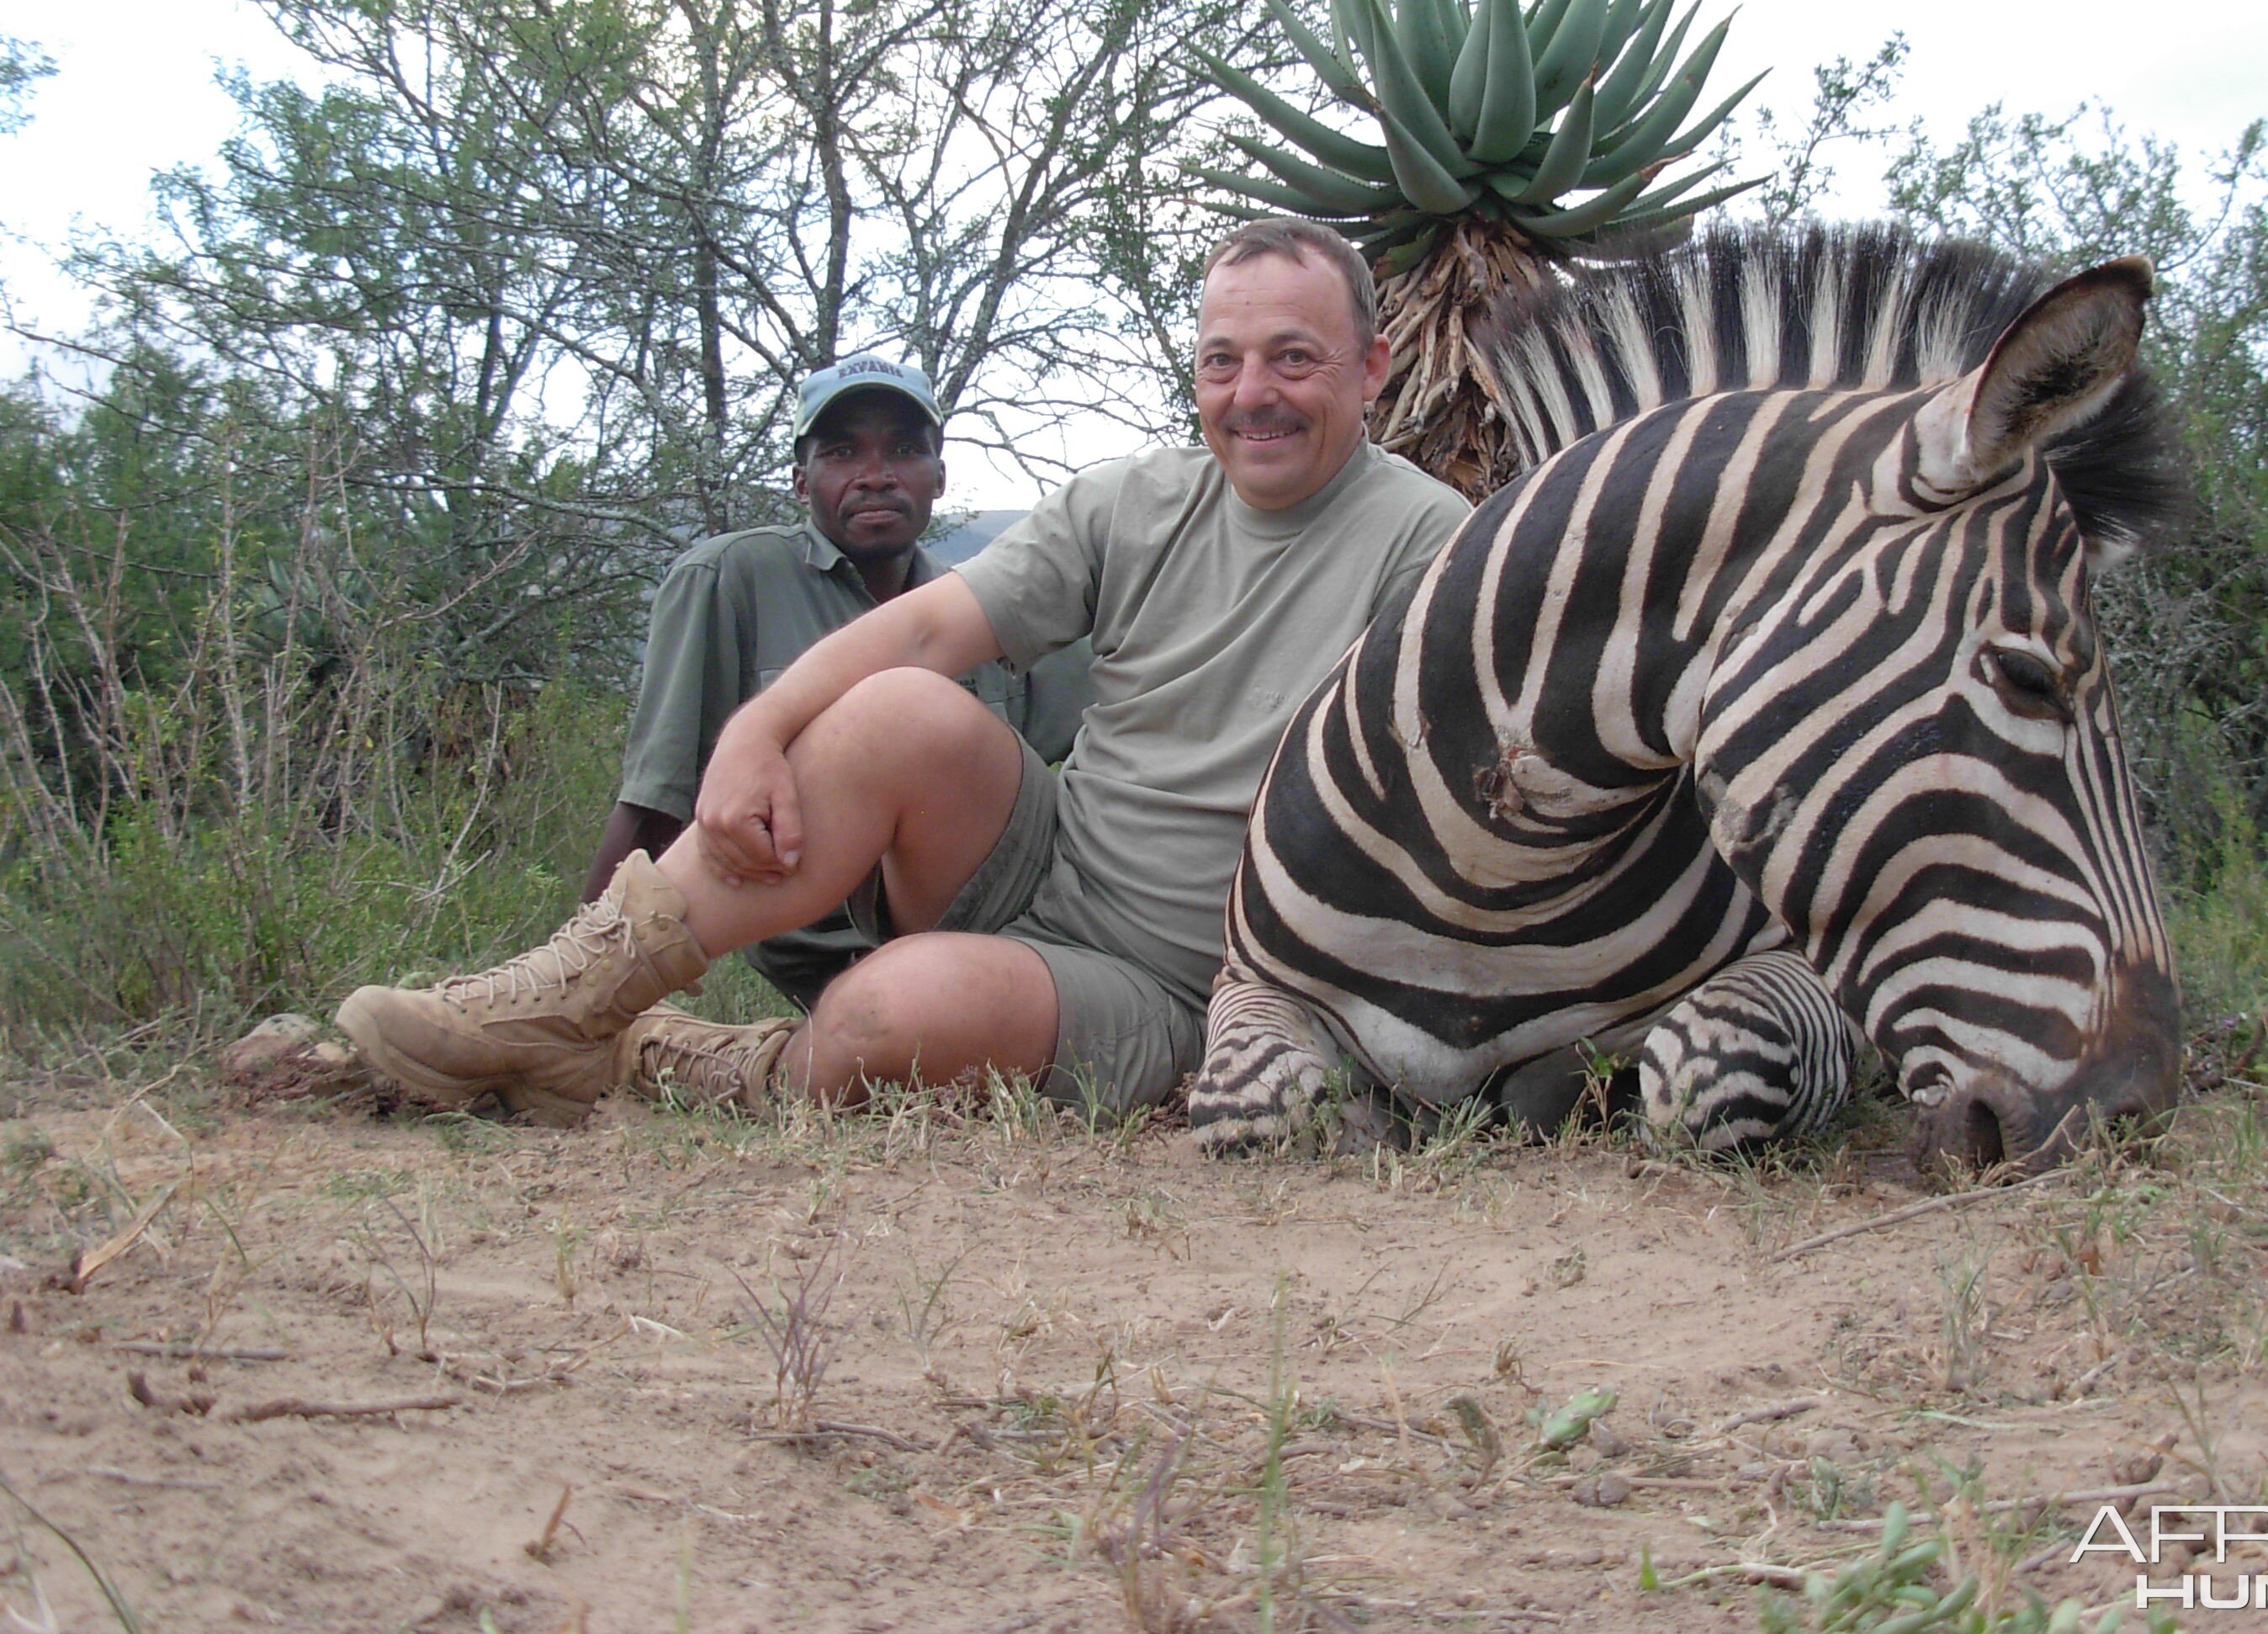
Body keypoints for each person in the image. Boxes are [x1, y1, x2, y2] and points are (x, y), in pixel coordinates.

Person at [327, 219, 1470, 1123]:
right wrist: (756, 730)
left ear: (1370, 367)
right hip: (1049, 867)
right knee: (900, 707)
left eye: (1293, 359)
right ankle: (561, 1001)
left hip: (1192, 983)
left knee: (880, 1013)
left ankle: (696, 1064)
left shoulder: (1436, 545)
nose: (1251, 395)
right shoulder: (1130, 500)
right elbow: (927, 631)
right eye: (1222, 361)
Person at [586, 351, 1089, 1012]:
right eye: (843, 453)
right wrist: (585, 975)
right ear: (801, 480)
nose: (876, 476)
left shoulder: (986, 611)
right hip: (815, 945)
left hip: (972, 934)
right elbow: (658, 797)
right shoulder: (731, 580)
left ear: (938, 477)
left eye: (905, 450)